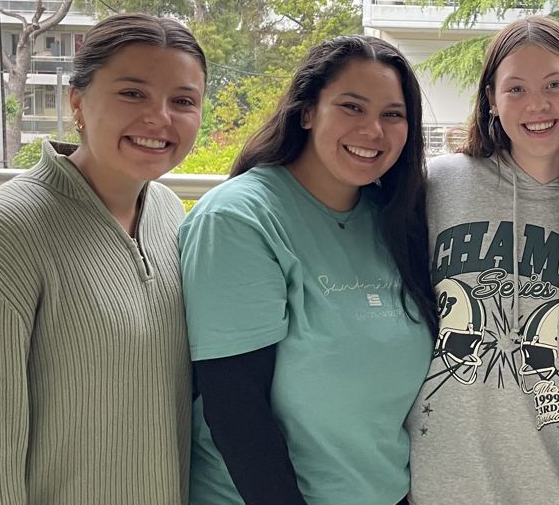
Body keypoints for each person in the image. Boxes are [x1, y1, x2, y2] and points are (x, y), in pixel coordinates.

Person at [0, 13, 206, 503]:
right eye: (132, 93)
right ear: (77, 101)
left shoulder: (169, 215)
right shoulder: (3, 234)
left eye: (182, 101)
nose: (160, 117)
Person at [181, 35, 438, 505]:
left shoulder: (391, 219)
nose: (373, 131)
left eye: (392, 114)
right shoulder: (239, 219)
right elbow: (237, 412)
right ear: (306, 111)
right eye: (352, 107)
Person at [405, 16, 559, 503]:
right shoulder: (436, 186)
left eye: (554, 84)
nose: (537, 104)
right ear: (491, 99)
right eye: (516, 88)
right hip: (446, 484)